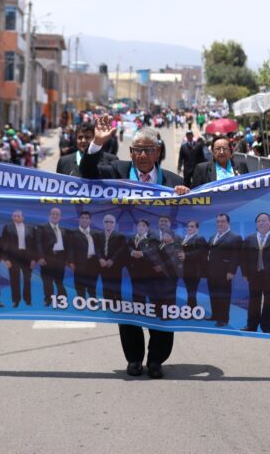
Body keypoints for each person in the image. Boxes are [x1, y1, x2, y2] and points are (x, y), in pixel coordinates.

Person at [79, 119, 189, 379]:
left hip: (160, 261)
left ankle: (156, 360)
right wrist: (98, 142)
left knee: (163, 310)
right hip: (124, 259)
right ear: (130, 153)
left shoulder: (173, 181)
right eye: (137, 150)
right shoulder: (117, 171)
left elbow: (188, 217)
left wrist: (186, 195)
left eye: (148, 149)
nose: (141, 155)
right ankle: (134, 359)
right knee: (128, 309)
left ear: (158, 152)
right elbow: (87, 172)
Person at [205, 213, 241, 327]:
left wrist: (232, 271)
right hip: (211, 272)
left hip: (225, 272)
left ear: (228, 223)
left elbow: (236, 256)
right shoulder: (212, 237)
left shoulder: (235, 237)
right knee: (213, 295)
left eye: (222, 221)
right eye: (218, 221)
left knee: (223, 296)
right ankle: (215, 315)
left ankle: (223, 319)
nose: (220, 223)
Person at [1, 210, 38, 307]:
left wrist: (34, 259)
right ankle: (16, 300)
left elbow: (34, 245)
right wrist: (6, 259)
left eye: (18, 216)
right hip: (12, 257)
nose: (16, 217)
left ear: (23, 217)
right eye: (14, 216)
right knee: (14, 279)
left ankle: (27, 299)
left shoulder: (30, 228)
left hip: (27, 257)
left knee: (27, 280)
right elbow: (3, 244)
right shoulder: (7, 228)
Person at [37, 208, 69, 305]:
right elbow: (38, 243)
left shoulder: (63, 230)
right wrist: (40, 257)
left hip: (60, 259)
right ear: (49, 216)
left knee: (59, 281)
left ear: (60, 217)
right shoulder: (41, 227)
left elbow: (67, 246)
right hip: (47, 258)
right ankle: (48, 299)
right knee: (47, 281)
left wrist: (67, 260)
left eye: (57, 214)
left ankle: (62, 299)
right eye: (53, 214)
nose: (55, 216)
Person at [69, 211, 102, 299]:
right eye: (82, 218)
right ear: (79, 220)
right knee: (79, 284)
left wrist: (100, 259)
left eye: (87, 218)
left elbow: (98, 248)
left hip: (93, 264)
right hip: (79, 263)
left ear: (90, 221)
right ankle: (81, 300)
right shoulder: (73, 233)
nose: (84, 220)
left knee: (92, 284)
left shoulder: (96, 233)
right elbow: (70, 248)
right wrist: (71, 262)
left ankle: (92, 301)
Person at [178, 220, 207, 309]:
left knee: (192, 289)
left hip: (194, 269)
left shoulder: (200, 238)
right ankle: (191, 306)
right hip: (185, 268)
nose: (189, 228)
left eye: (192, 226)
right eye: (188, 226)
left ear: (197, 228)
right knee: (189, 289)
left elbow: (201, 252)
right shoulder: (184, 238)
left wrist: (186, 255)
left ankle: (192, 307)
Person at [98, 214, 127, 302]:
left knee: (116, 285)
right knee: (105, 284)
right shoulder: (98, 235)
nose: (109, 224)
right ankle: (107, 302)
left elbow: (122, 250)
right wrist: (100, 258)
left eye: (111, 222)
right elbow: (96, 248)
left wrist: (112, 260)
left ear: (114, 224)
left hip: (116, 266)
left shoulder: (121, 236)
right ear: (103, 223)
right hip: (103, 265)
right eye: (106, 222)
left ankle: (117, 303)